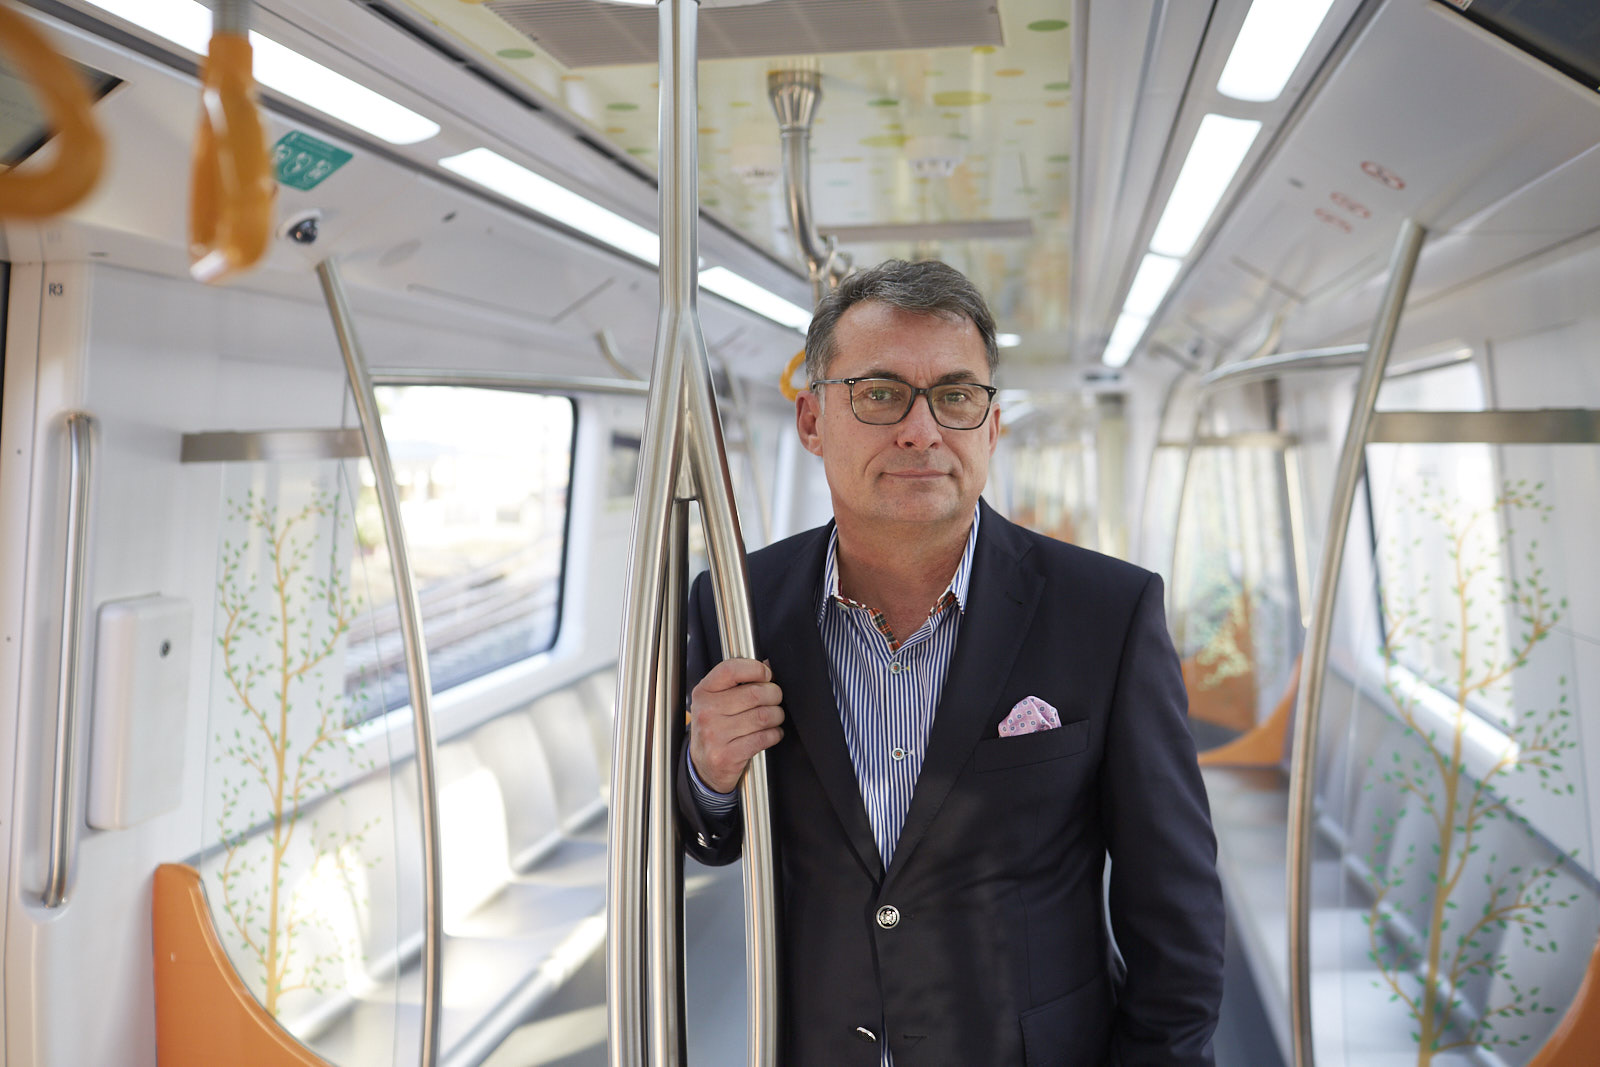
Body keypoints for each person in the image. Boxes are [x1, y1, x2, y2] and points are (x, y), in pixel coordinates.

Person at [678, 259, 1224, 1066]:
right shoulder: (736, 604)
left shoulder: (1105, 612)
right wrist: (707, 774)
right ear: (812, 420)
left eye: (957, 395)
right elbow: (710, 838)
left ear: (991, 426)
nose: (922, 430)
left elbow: (1174, 913)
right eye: (880, 391)